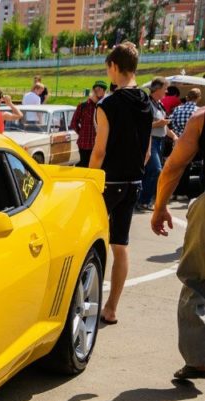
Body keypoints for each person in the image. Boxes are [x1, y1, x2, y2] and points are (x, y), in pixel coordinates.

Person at [90, 41, 153, 326]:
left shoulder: (108, 104)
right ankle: (111, 308)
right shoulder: (147, 102)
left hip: (108, 181)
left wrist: (89, 180)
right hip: (134, 181)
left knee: (91, 243)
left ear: (114, 67)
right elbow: (148, 150)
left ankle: (86, 299)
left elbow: (99, 150)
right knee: (120, 245)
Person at [151, 107, 205, 380]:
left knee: (196, 279)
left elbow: (173, 166)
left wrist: (160, 206)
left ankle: (198, 360)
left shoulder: (201, 119)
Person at [137, 78, 175, 212]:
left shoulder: (159, 104)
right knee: (156, 170)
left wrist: (174, 136)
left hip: (160, 141)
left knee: (149, 171)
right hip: (150, 141)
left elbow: (164, 127)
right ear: (157, 89)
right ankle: (144, 200)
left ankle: (142, 200)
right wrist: (158, 124)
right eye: (165, 88)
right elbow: (141, 125)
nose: (167, 91)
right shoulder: (147, 103)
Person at [71, 81, 108, 167]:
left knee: (97, 168)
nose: (98, 91)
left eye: (101, 89)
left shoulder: (105, 106)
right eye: (97, 88)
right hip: (84, 144)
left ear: (104, 91)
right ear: (93, 90)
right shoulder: (83, 106)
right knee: (84, 166)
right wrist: (81, 133)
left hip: (100, 144)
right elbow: (74, 122)